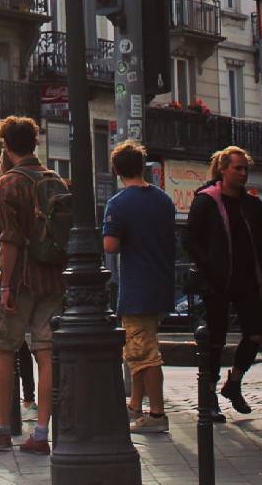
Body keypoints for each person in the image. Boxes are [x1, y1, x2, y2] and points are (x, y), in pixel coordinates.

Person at [0, 116, 69, 455]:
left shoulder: (8, 183)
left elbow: (9, 239)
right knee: (46, 352)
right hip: (53, 278)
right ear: (34, 143)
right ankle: (42, 432)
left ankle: (2, 428)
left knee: (4, 348)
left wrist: (8, 287)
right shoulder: (55, 179)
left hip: (22, 278)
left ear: (6, 146)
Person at [186, 146, 262, 418]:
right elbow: (190, 241)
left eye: (246, 168)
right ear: (223, 169)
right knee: (216, 339)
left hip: (248, 280)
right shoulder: (206, 201)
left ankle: (234, 382)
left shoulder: (253, 205)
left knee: (255, 334)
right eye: (238, 168)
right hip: (218, 281)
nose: (244, 173)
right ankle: (209, 395)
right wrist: (209, 267)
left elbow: (261, 243)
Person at [102, 140, 177, 433]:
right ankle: (135, 405)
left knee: (145, 353)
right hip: (161, 281)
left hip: (137, 286)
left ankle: (156, 414)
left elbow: (111, 244)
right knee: (138, 347)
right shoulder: (163, 199)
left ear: (117, 170)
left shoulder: (118, 203)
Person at [0, 190, 36, 415]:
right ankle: (34, 407)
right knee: (41, 346)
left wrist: (4, 285)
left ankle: (6, 420)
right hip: (42, 276)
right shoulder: (45, 185)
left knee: (6, 344)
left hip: (7, 276)